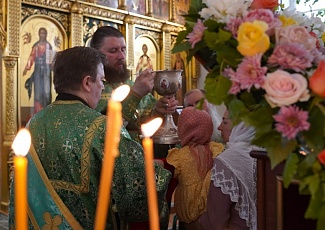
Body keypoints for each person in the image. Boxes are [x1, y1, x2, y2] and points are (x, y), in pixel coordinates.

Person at [8, 46, 171, 230]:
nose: (102, 86)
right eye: (101, 80)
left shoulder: (33, 123)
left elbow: (19, 193)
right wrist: (165, 173)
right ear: (87, 83)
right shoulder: (103, 127)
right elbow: (136, 195)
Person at [90, 26, 178, 144]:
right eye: (113, 51)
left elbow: (143, 125)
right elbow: (102, 131)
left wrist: (158, 111)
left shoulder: (132, 85)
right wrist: (135, 95)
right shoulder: (91, 89)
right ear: (96, 54)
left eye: (123, 49)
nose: (121, 56)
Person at [199, 109, 262, 230]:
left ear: (241, 126)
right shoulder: (265, 155)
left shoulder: (226, 161)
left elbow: (216, 220)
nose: (219, 127)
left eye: (225, 122)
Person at [167, 107, 224, 230]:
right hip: (212, 215)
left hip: (188, 217)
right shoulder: (216, 149)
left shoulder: (179, 156)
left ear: (183, 129)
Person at [23, 27, 53, 113]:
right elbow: (32, 56)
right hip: (38, 71)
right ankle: (37, 112)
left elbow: (51, 60)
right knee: (38, 92)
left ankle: (47, 112)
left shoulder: (49, 46)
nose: (42, 35)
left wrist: (54, 68)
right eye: (41, 33)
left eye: (44, 33)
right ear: (39, 34)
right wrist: (27, 68)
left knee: (47, 92)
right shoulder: (36, 46)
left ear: (46, 35)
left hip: (47, 72)